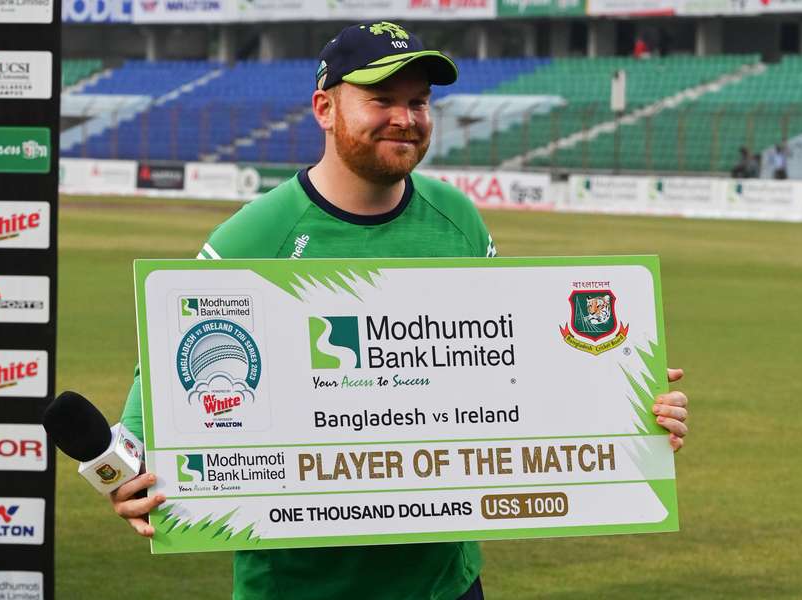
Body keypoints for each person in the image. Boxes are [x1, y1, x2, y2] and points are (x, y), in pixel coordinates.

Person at [110, 21, 691, 600]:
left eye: (418, 102)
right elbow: (159, 391)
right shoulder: (257, 235)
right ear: (325, 108)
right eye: (380, 100)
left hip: (447, 584)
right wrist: (124, 474)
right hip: (298, 589)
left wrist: (627, 401)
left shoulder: (459, 220)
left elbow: (510, 369)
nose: (405, 118)